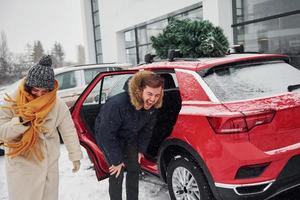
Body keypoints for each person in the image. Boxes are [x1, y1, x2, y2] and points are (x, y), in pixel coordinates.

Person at [0, 55, 83, 200]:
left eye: (44, 92)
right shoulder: (12, 101)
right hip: (21, 166)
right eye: (36, 90)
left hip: (48, 166)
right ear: (28, 86)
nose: (40, 95)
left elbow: (68, 130)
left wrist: (75, 155)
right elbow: (2, 132)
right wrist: (21, 120)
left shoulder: (57, 104)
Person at [95, 70, 164, 200]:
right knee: (117, 172)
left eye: (157, 95)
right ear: (140, 90)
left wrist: (140, 150)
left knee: (134, 169)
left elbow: (146, 130)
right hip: (109, 137)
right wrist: (116, 160)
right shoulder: (117, 104)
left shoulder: (152, 106)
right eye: (149, 94)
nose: (153, 99)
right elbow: (105, 134)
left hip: (129, 137)